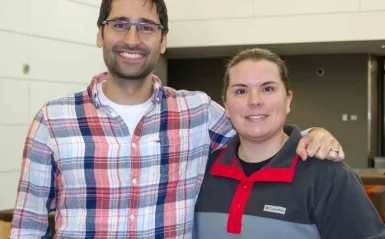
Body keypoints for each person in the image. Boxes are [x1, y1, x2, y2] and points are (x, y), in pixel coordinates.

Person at [10, 0, 344, 238]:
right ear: (100, 33)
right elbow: (28, 226)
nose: (131, 39)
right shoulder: (53, 120)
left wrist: (313, 134)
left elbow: (256, 126)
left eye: (146, 27)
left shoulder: (196, 112)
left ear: (163, 40)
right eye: (119, 24)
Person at [194, 48, 385, 239]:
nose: (254, 101)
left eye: (267, 88)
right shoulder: (200, 173)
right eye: (241, 91)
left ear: (288, 100)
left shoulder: (329, 176)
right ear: (226, 106)